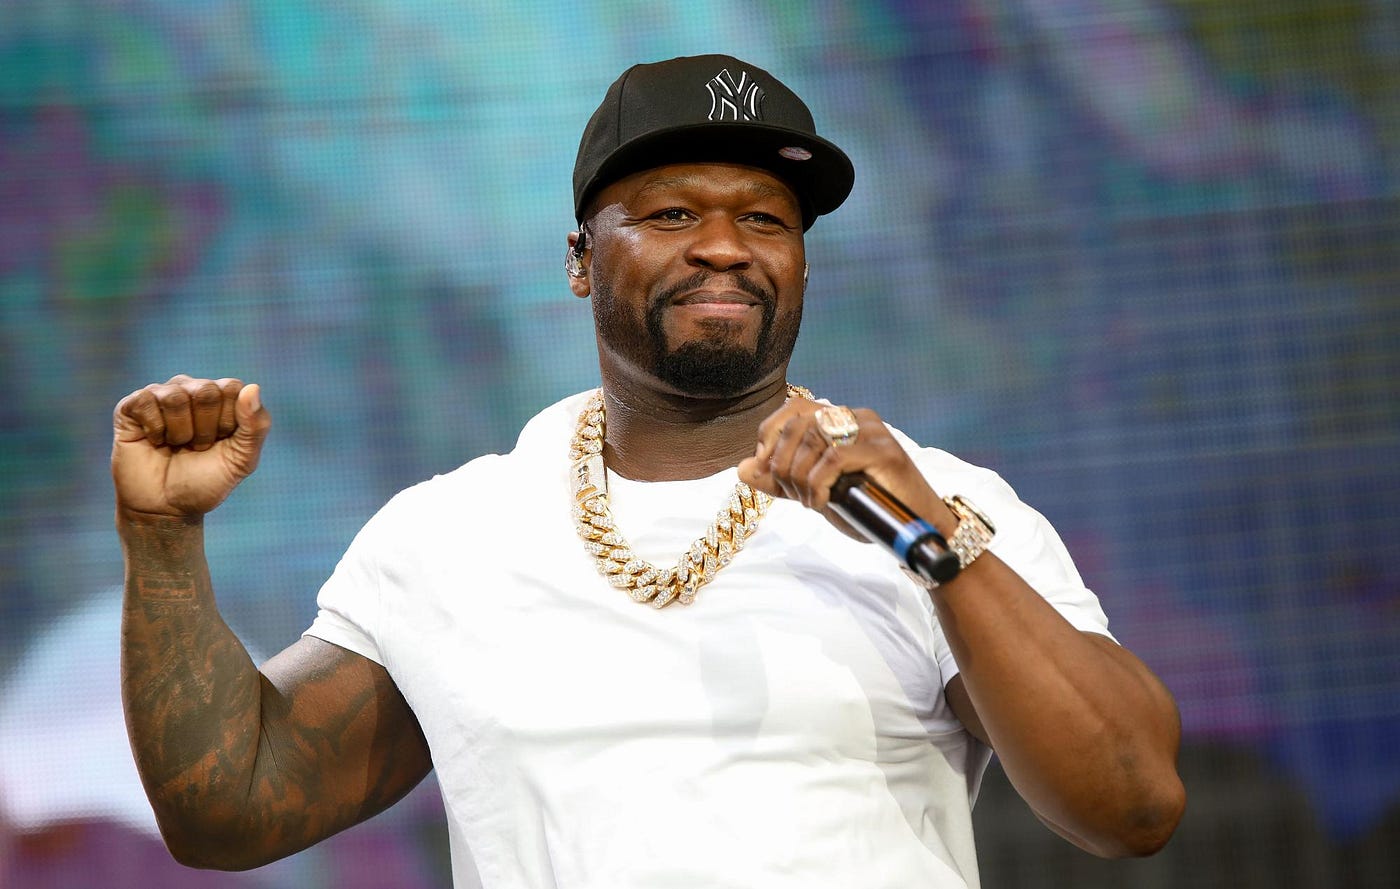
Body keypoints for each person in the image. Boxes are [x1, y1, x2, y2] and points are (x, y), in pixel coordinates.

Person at [113, 54, 1184, 888]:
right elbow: (230, 809)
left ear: (801, 263)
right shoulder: (448, 535)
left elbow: (1132, 805)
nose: (724, 245)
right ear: (580, 259)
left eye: (763, 218)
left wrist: (938, 545)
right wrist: (163, 542)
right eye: (672, 214)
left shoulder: (940, 506)